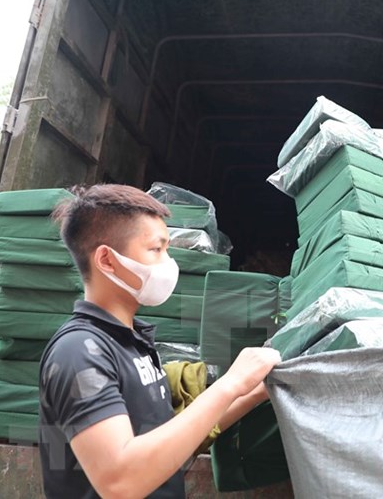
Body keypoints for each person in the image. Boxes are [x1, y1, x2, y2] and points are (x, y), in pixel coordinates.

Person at [39, 184, 281, 498]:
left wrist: (254, 392)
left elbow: (171, 440)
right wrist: (229, 384)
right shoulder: (79, 353)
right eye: (156, 249)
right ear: (107, 261)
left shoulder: (134, 343)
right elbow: (120, 481)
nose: (168, 263)